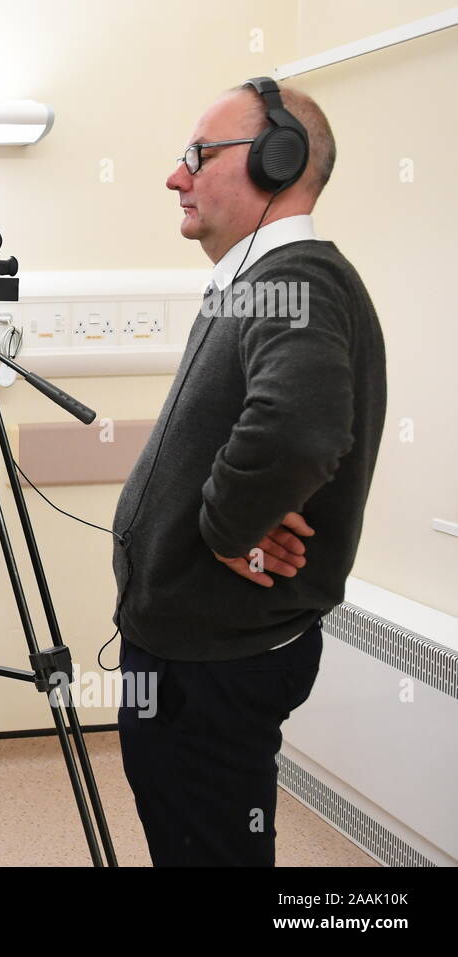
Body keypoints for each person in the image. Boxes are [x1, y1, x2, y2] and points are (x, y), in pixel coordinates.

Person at [111, 79, 386, 866]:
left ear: (278, 159)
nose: (177, 176)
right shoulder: (257, 279)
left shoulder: (297, 280)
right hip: (189, 647)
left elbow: (299, 427)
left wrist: (228, 525)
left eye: (198, 155)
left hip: (214, 663)